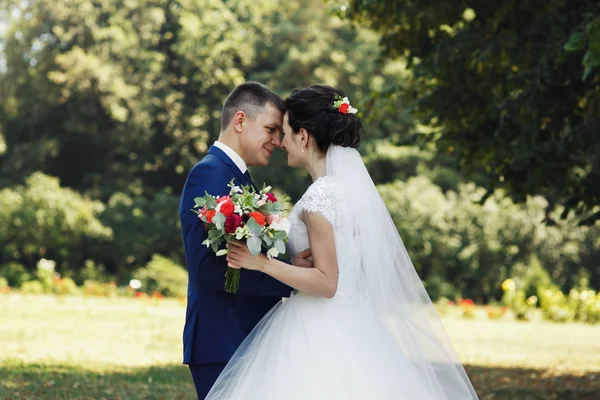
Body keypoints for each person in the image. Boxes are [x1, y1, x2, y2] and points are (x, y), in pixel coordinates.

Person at [207, 85, 479, 399]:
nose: (280, 143)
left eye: (284, 133)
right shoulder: (344, 190)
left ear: (304, 136)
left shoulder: (322, 195)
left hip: (319, 327)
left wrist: (261, 263)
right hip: (353, 322)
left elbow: (327, 282)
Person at [178, 82, 313, 399]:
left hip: (242, 335)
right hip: (222, 339)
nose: (277, 141)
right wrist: (292, 278)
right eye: (271, 129)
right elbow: (209, 269)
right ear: (240, 121)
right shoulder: (210, 174)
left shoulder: (237, 177)